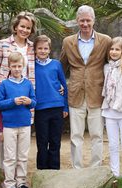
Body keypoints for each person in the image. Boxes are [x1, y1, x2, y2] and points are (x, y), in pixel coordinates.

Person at [60, 5, 111, 169]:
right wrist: (60, 87)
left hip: (97, 93)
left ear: (93, 20)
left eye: (88, 20)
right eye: (82, 20)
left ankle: (96, 169)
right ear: (77, 21)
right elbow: (61, 67)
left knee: (97, 134)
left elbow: (112, 65)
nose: (85, 24)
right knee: (76, 135)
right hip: (75, 94)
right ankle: (77, 169)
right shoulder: (68, 42)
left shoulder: (106, 40)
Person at [0, 52, 36, 188]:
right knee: (10, 156)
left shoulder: (27, 83)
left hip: (25, 124)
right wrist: (13, 101)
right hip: (9, 126)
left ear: (23, 66)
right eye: (14, 66)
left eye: (19, 66)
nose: (17, 69)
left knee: (23, 155)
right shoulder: (5, 84)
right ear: (9, 67)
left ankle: (21, 182)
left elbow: (34, 101)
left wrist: (29, 102)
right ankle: (10, 184)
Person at [34, 35, 68, 170]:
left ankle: (54, 170)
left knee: (55, 141)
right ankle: (42, 170)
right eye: (39, 48)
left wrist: (65, 106)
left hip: (57, 108)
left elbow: (64, 86)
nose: (42, 51)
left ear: (49, 50)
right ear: (35, 50)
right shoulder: (31, 65)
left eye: (45, 48)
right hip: (40, 108)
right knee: (42, 142)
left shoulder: (56, 64)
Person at [0, 11, 37, 90]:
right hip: (6, 90)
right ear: (15, 27)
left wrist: (58, 83)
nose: (25, 30)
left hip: (26, 91)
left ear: (31, 30)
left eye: (28, 28)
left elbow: (42, 67)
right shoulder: (3, 44)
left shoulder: (33, 47)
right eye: (22, 26)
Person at [101, 37, 122, 178]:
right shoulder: (106, 67)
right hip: (109, 111)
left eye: (117, 49)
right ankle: (115, 174)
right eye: (112, 49)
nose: (114, 52)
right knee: (113, 145)